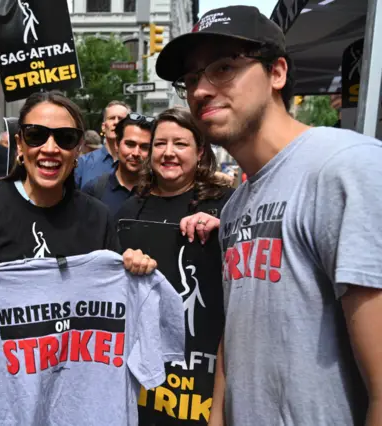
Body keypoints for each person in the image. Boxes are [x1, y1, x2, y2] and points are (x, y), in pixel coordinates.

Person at [156, 5, 382, 426]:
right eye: (190, 79)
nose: (201, 90)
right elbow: (236, 333)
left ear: (277, 73)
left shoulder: (346, 168)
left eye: (223, 68)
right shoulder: (239, 201)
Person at [0, 91, 157, 426]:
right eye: (36, 135)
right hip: (2, 396)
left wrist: (134, 270)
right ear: (21, 144)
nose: (50, 148)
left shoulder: (96, 217)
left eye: (66, 138)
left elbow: (115, 310)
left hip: (73, 398)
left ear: (78, 151)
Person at [115, 107, 231, 425]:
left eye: (180, 144)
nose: (168, 153)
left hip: (205, 370)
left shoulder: (226, 203)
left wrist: (225, 226)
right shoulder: (129, 209)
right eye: (160, 144)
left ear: (200, 151)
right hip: (145, 373)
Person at [84, 113, 153, 215]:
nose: (136, 153)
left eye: (144, 147)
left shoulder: (159, 191)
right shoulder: (94, 190)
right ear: (117, 144)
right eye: (130, 144)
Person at [75, 100, 130, 188]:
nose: (116, 122)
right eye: (112, 118)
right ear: (103, 127)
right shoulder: (83, 163)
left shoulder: (137, 163)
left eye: (121, 119)